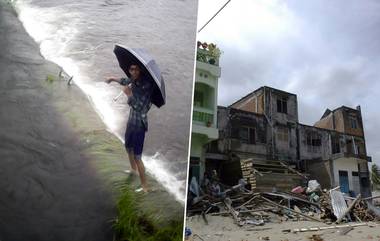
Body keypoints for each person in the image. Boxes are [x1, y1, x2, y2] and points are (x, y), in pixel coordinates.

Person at [106, 64, 153, 192]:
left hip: (139, 125)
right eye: (131, 69)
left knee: (138, 156)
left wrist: (129, 94)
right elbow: (125, 80)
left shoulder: (147, 87)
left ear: (140, 71)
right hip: (131, 121)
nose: (133, 71)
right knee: (128, 148)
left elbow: (140, 107)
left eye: (136, 69)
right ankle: (133, 170)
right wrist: (113, 79)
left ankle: (145, 186)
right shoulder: (134, 80)